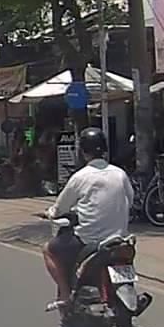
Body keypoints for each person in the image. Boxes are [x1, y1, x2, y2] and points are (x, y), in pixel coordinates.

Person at [42, 127, 133, 310]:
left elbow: (59, 208)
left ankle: (65, 295)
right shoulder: (120, 174)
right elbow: (129, 200)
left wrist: (50, 213)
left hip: (89, 241)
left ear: (83, 152)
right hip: (120, 239)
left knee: (48, 250)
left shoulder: (80, 177)